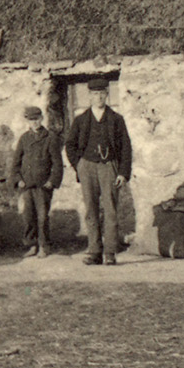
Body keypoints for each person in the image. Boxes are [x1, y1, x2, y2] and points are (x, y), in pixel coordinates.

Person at [64, 78, 133, 265]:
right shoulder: (81, 120)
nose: (99, 97)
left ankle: (110, 252)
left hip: (109, 166)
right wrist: (78, 165)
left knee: (110, 210)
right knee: (91, 210)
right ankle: (94, 251)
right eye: (95, 94)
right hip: (87, 167)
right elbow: (69, 144)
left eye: (102, 93)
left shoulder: (117, 119)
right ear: (90, 96)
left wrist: (123, 173)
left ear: (107, 95)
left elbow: (126, 147)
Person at [8, 105, 64, 257]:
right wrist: (18, 179)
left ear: (42, 119)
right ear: (27, 121)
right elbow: (15, 163)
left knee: (42, 216)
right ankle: (31, 244)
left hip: (43, 186)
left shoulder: (50, 138)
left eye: (37, 119)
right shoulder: (24, 139)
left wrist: (52, 181)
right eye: (31, 120)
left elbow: (57, 164)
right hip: (27, 185)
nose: (35, 122)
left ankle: (44, 245)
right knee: (28, 216)